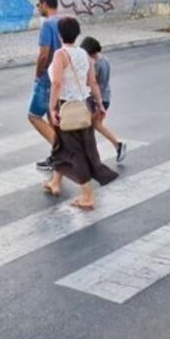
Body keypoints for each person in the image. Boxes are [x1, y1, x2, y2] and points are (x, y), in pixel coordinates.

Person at [44, 17, 117, 210]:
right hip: (84, 106)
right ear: (77, 34)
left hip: (66, 107)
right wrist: (99, 103)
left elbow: (57, 83)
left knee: (74, 151)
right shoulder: (85, 55)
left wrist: (52, 108)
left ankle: (87, 196)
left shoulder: (60, 54)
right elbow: (92, 82)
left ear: (60, 34)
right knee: (62, 147)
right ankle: (55, 182)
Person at [80, 36, 127, 163]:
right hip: (106, 96)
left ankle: (114, 146)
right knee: (95, 125)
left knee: (89, 127)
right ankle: (117, 145)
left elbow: (92, 83)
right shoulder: (105, 60)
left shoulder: (95, 65)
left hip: (97, 99)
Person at [28, 0, 61, 171]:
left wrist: (37, 75)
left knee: (33, 115)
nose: (38, 7)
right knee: (52, 116)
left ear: (46, 4)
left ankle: (61, 151)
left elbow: (43, 54)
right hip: (60, 76)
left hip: (47, 78)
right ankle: (56, 157)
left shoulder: (47, 24)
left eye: (39, 4)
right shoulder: (63, 22)